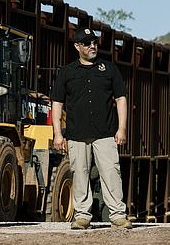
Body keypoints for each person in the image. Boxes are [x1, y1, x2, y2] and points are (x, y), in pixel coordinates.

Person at [51, 27, 132, 230]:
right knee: (79, 173)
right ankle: (82, 216)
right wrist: (57, 134)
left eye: (94, 42)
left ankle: (118, 215)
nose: (92, 46)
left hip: (105, 133)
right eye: (87, 43)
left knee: (111, 172)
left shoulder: (109, 69)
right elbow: (57, 103)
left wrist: (121, 129)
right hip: (77, 134)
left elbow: (121, 99)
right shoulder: (67, 72)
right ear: (77, 46)